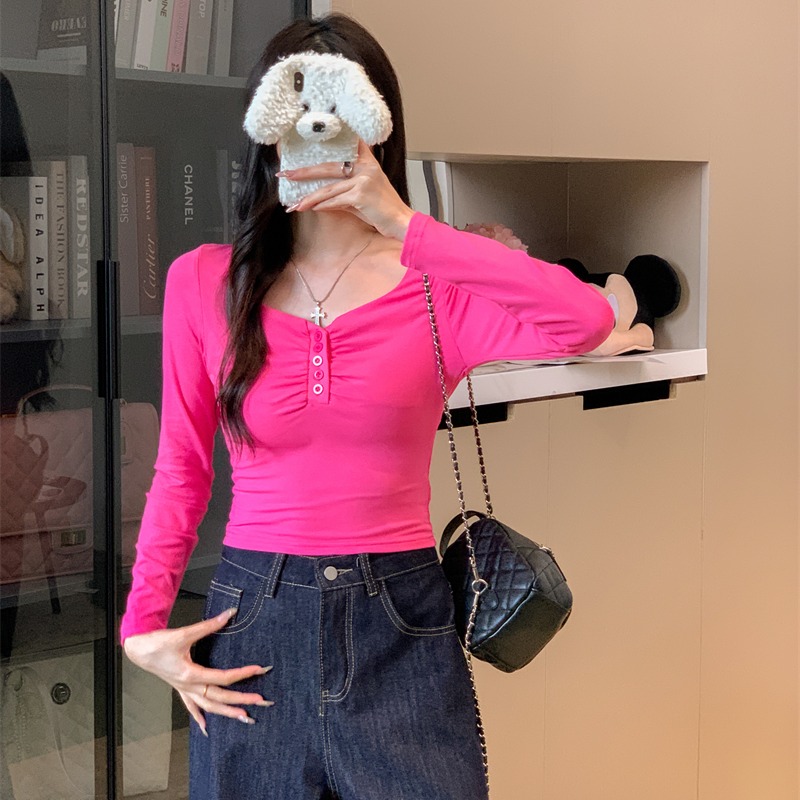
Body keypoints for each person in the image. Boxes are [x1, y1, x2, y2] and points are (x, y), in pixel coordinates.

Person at [119, 12, 615, 800]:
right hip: (254, 624)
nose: (319, 137)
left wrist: (407, 226)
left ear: (379, 131)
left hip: (403, 621)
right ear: (267, 130)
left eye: (344, 112)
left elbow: (585, 321)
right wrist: (143, 623)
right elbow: (181, 467)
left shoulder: (439, 285)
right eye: (298, 112)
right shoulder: (205, 282)